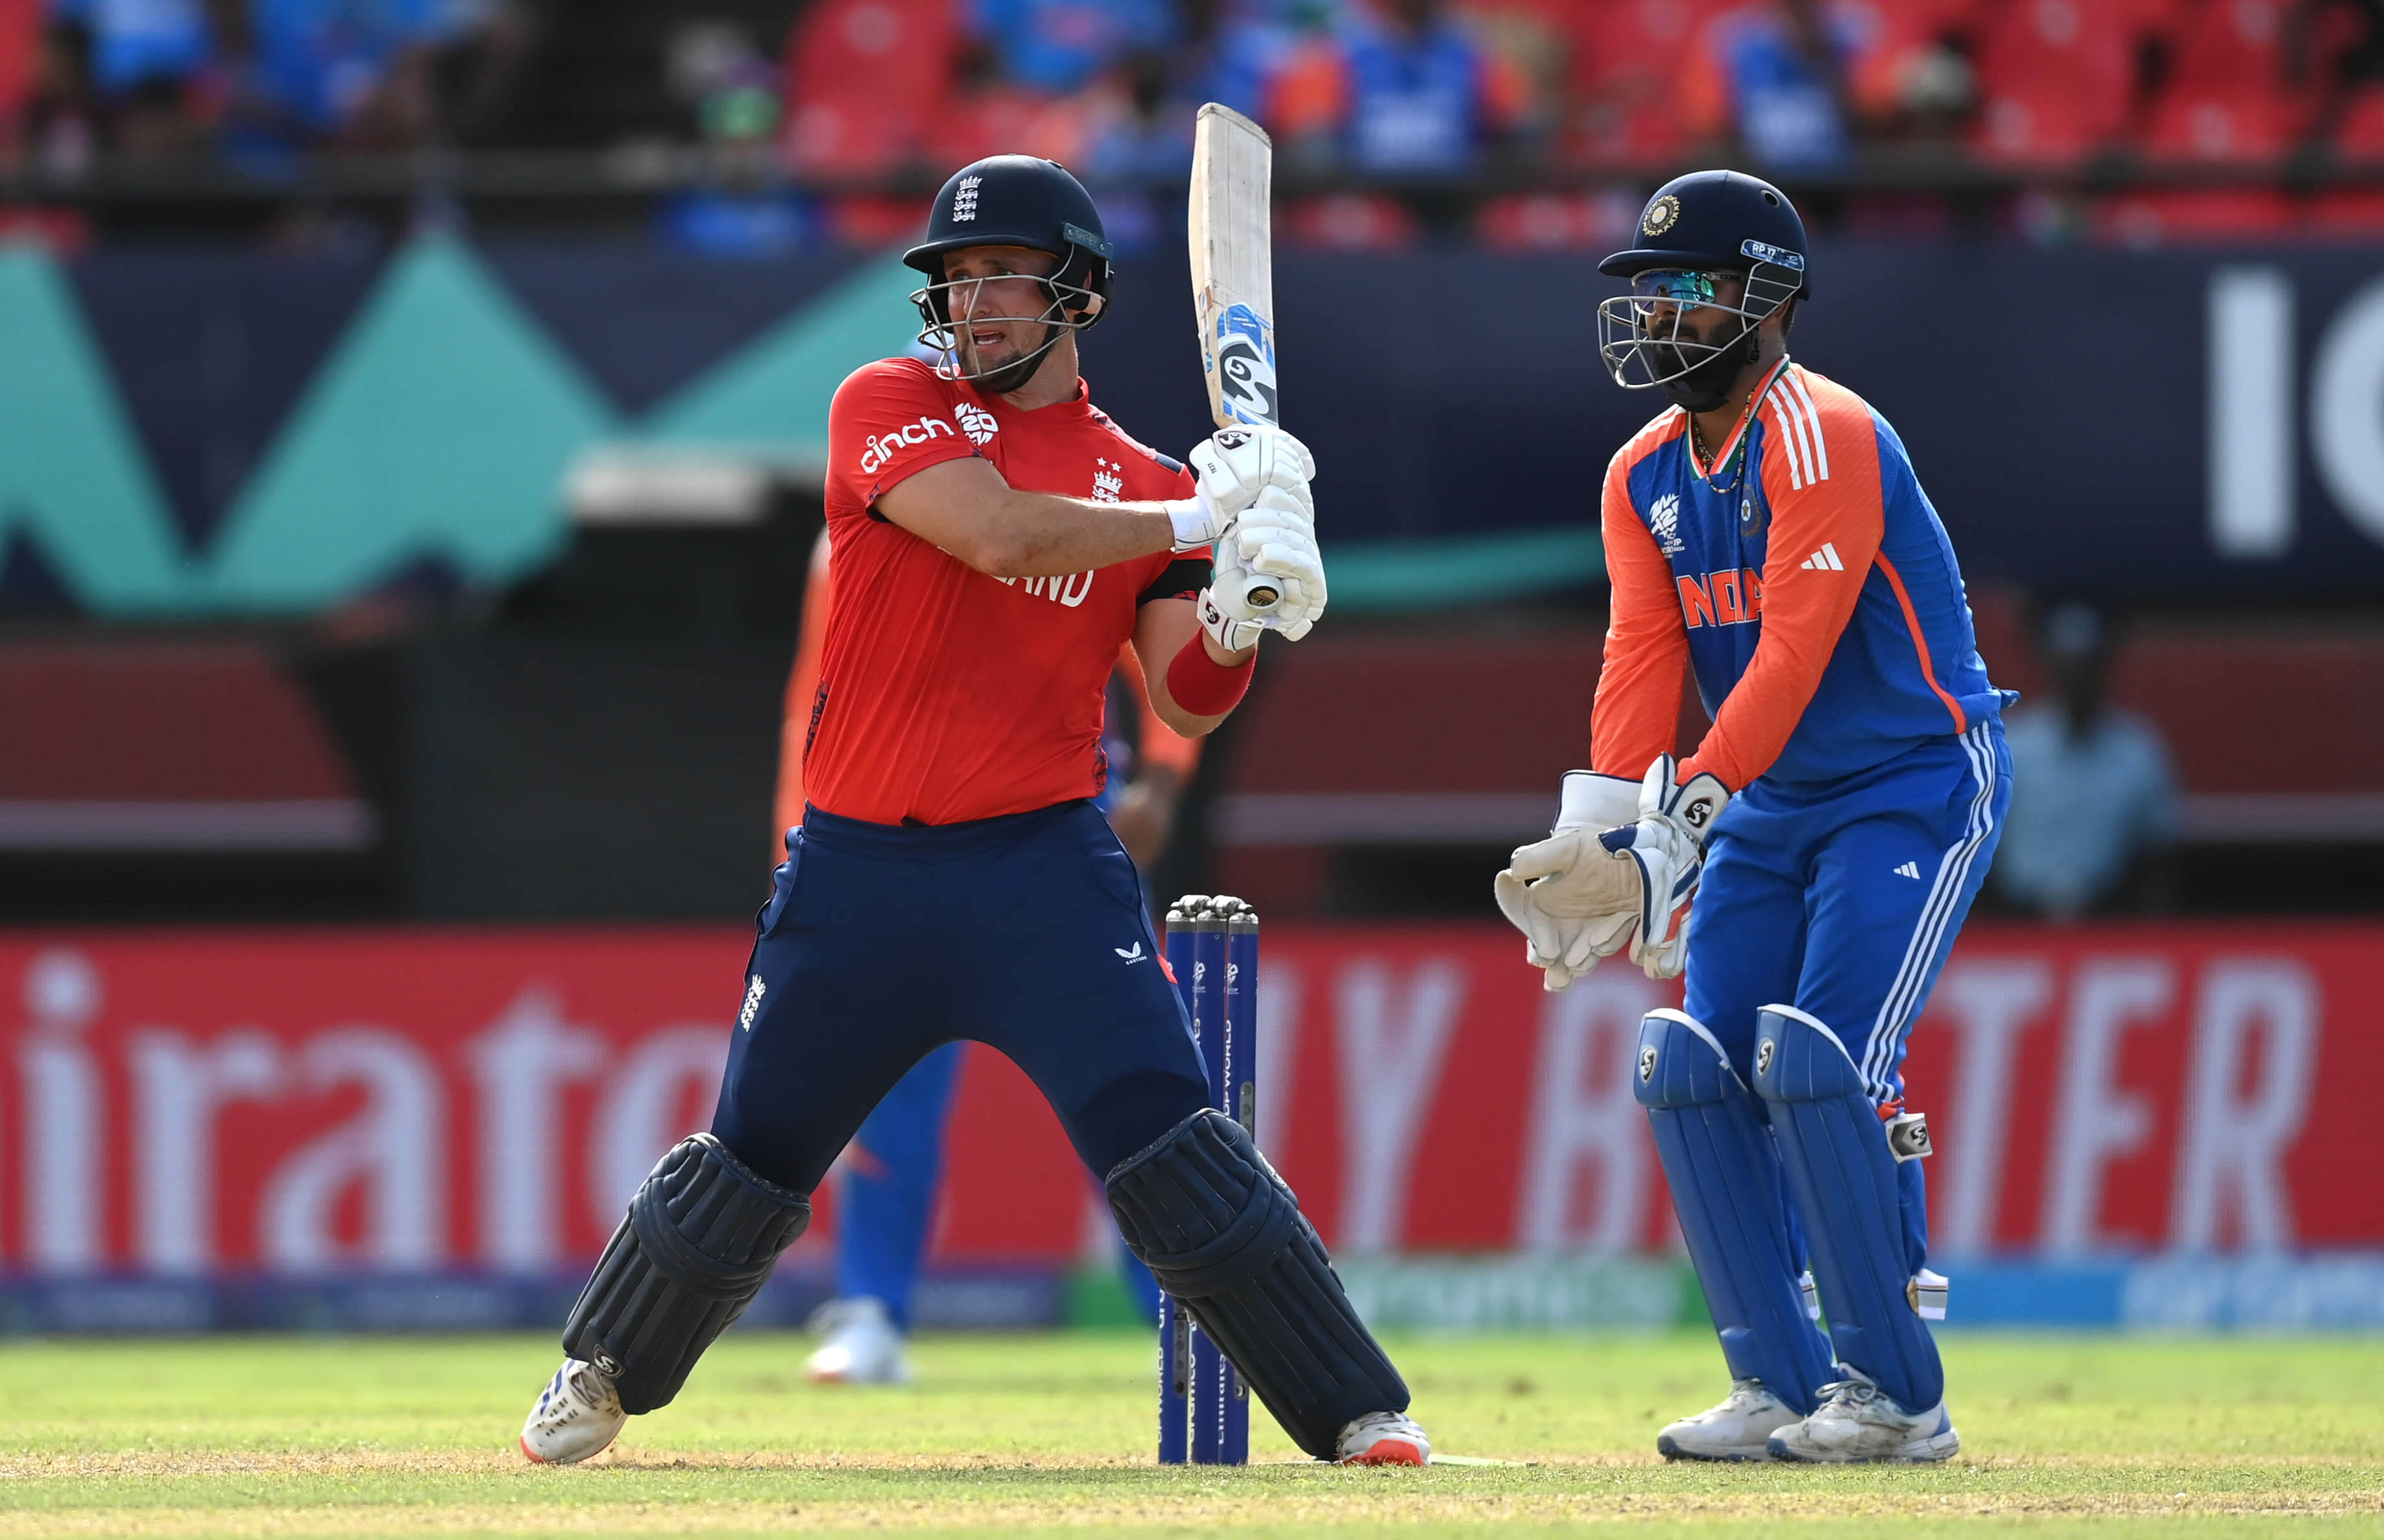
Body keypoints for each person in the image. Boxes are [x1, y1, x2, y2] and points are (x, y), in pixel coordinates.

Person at [520, 152, 1428, 1469]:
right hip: (856, 873)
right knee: (755, 1152)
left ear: (1080, 298)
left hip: (1042, 872)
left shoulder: (1140, 473)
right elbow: (1000, 533)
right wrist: (1196, 508)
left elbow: (1188, 689)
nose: (972, 304)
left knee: (1171, 1137)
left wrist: (1238, 601)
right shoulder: (887, 401)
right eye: (953, 280)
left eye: (1002, 275)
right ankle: (602, 1367)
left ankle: (1357, 1408)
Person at [1495, 169, 2011, 1463]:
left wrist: (1691, 810)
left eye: (1690, 288)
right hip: (1771, 806)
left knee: (1820, 1061)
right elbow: (1635, 660)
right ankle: (1776, 1383)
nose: (1659, 313)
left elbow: (1789, 653)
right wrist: (1615, 830)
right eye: (1647, 290)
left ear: (1768, 299)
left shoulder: (1822, 432)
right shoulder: (1640, 473)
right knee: (1695, 1062)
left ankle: (1898, 1395)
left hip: (1909, 779)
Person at [774, 527, 1198, 1384]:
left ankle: (1184, 1303)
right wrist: (795, 852)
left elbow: (1160, 655)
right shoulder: (845, 548)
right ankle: (870, 1312)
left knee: (1122, 1070)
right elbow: (812, 706)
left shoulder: (1057, 517)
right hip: (884, 829)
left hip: (1057, 818)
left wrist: (1157, 778)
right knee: (879, 1078)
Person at [1993, 602, 2176, 920]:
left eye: (2087, 665)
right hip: (2019, 919)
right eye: (2068, 665)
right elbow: (1981, 845)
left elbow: (2157, 852)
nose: (2077, 677)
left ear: (2103, 668)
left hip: (2108, 918)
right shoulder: (2013, 745)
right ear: (2049, 666)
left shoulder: (2137, 749)